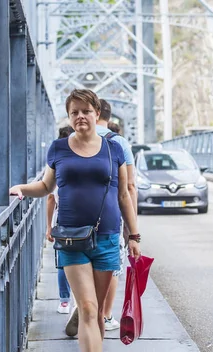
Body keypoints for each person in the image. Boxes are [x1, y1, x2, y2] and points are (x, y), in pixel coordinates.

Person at [10, 89, 141, 352]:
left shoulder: (114, 149)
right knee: (86, 307)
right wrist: (21, 190)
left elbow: (124, 195)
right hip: (70, 238)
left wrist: (133, 236)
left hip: (107, 237)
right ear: (69, 118)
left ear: (97, 114)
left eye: (86, 110)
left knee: (96, 315)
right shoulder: (58, 148)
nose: (80, 116)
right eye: (74, 112)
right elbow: (45, 186)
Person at [65, 100, 137, 335]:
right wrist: (132, 229)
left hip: (73, 223)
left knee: (79, 262)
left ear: (97, 114)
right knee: (111, 267)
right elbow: (129, 188)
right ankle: (103, 314)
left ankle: (83, 305)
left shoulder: (71, 139)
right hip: (108, 221)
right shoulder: (119, 143)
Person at [46, 125, 75, 314]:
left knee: (63, 262)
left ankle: (64, 301)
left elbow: (50, 197)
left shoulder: (59, 164)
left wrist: (48, 227)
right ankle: (80, 300)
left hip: (61, 222)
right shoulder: (80, 162)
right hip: (84, 222)